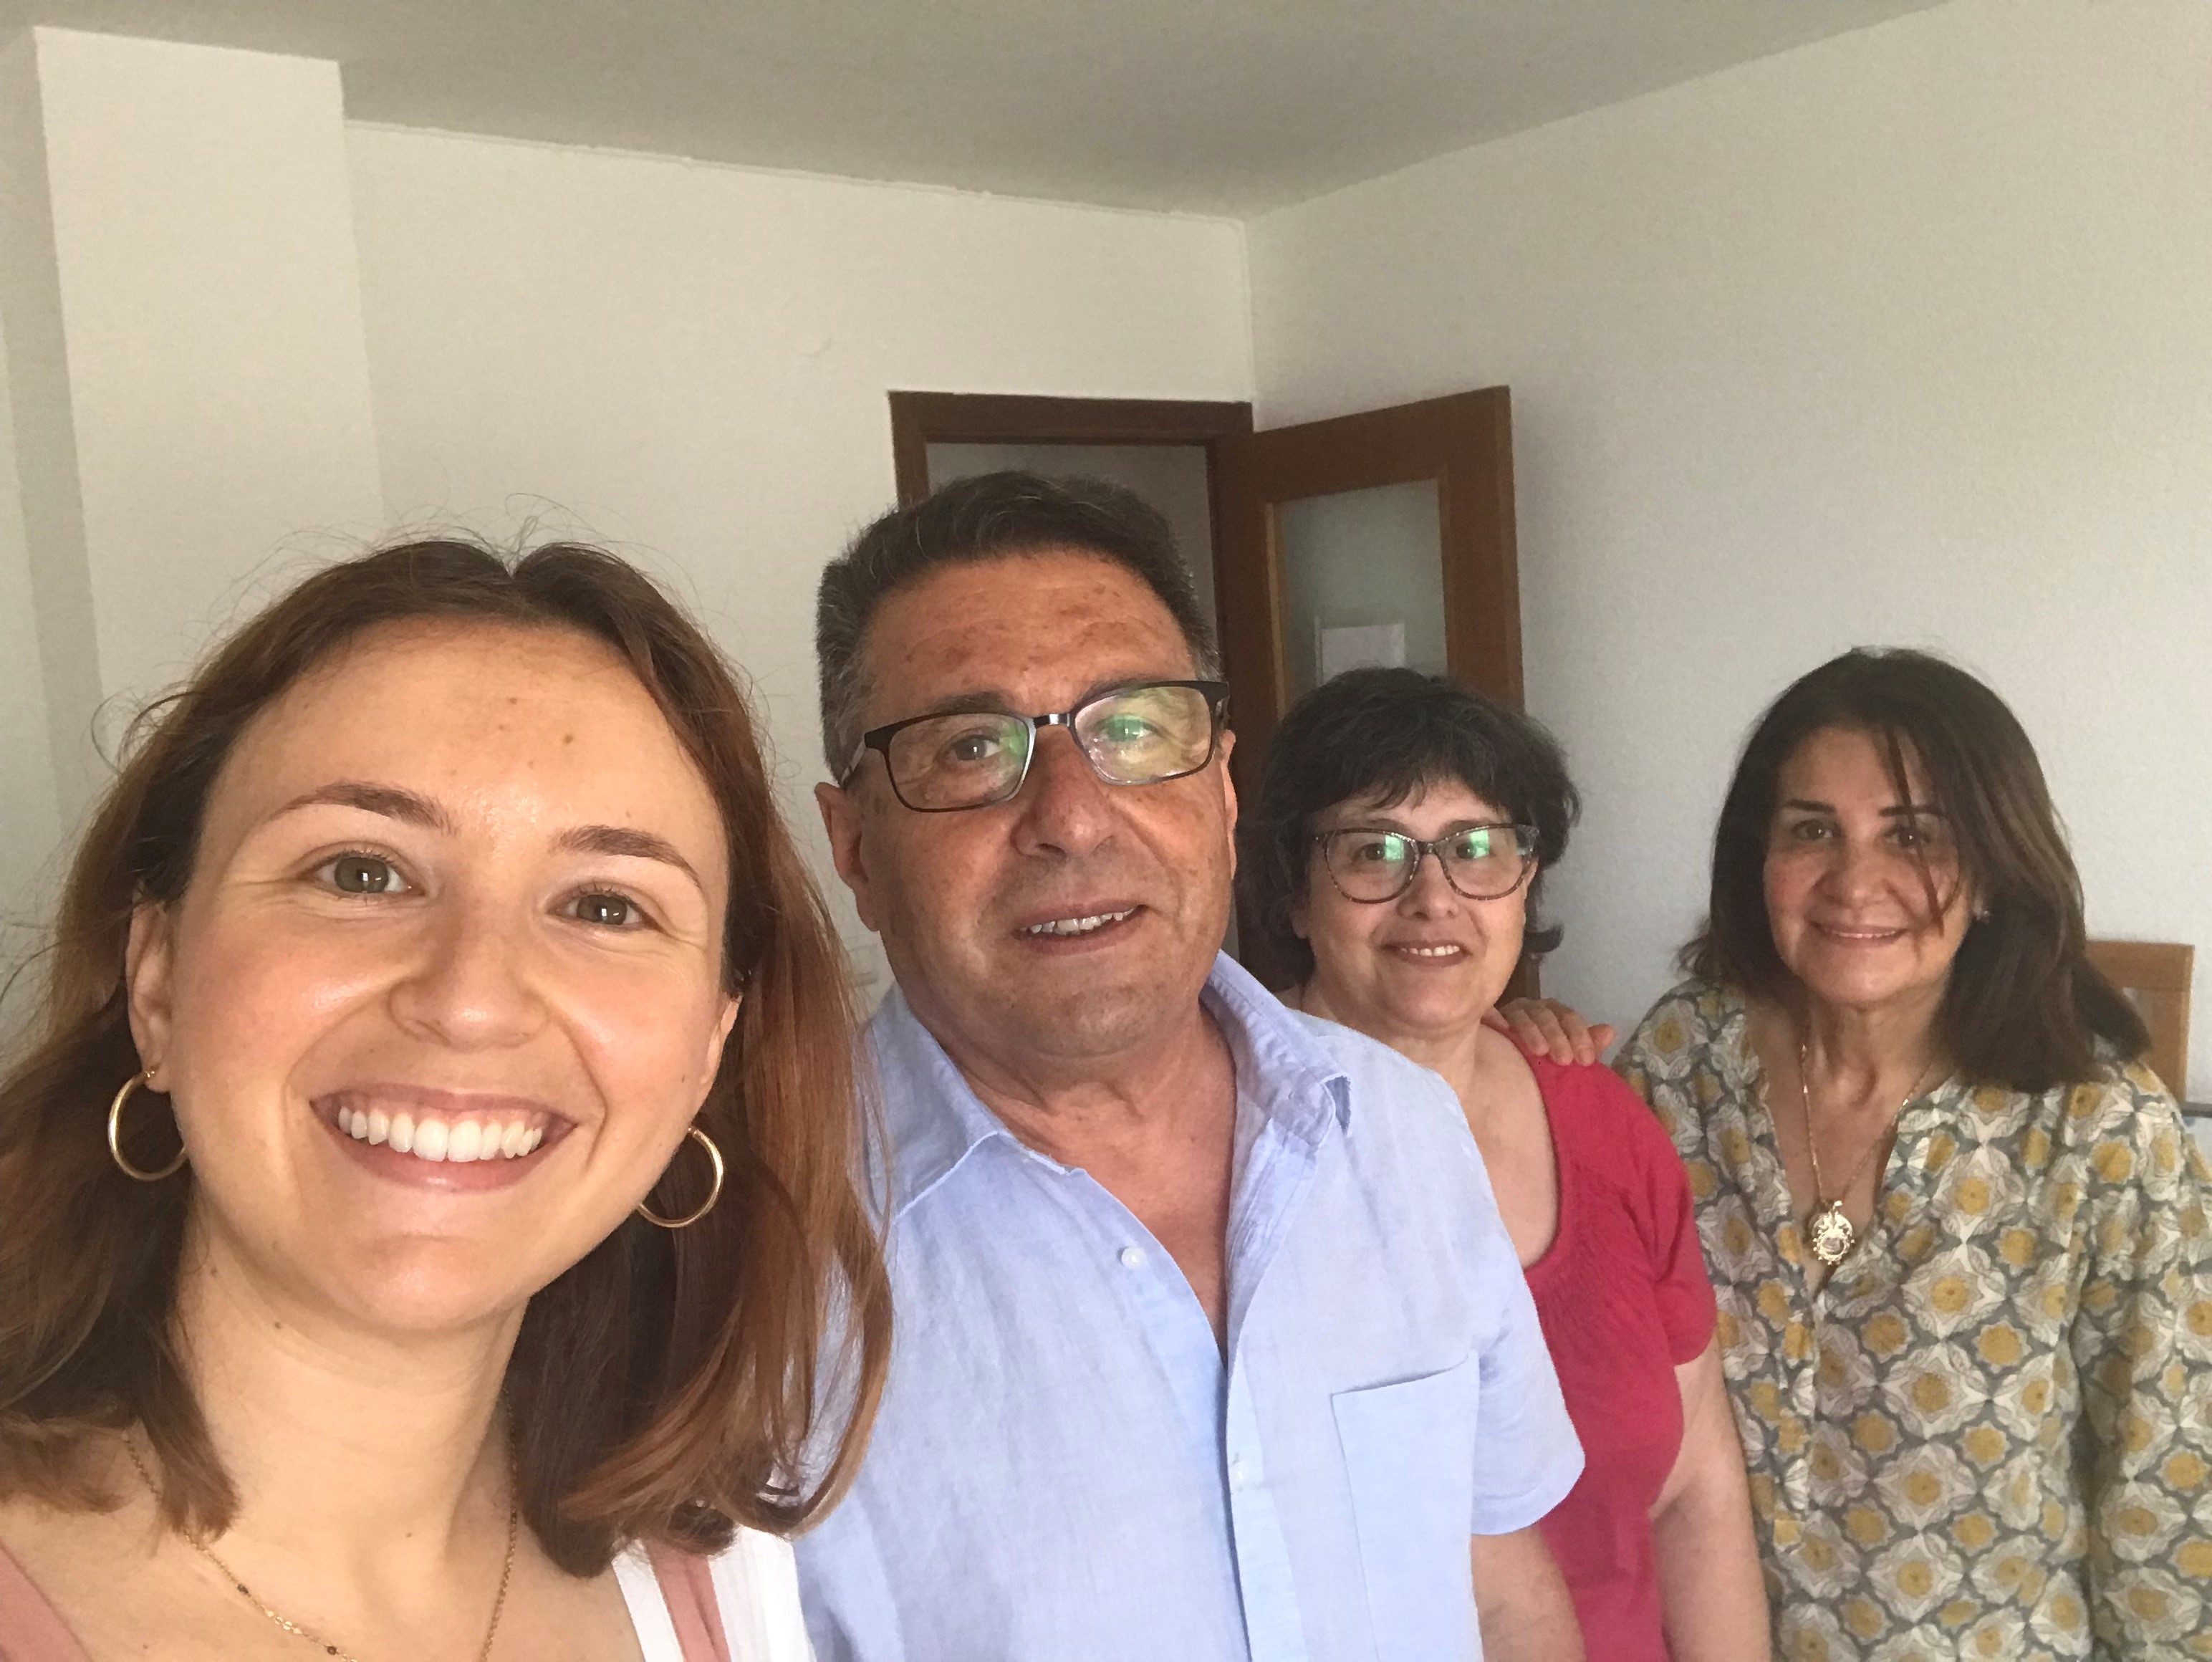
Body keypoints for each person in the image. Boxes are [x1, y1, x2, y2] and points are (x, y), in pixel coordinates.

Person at [0, 539, 890, 1660]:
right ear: (160, 980)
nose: (471, 1000)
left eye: (608, 906)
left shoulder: (716, 1583)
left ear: (708, 1049)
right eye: (361, 872)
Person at [798, 471, 1585, 1662]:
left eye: (1131, 730)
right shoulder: (757, 1263)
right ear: (854, 845)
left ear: (1219, 787)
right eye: (971, 747)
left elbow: (1502, 1591)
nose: (1072, 816)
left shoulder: (1399, 1130)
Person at [1612, 648, 2212, 1661]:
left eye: (1914, 836)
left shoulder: (2101, 1131)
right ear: (1759, 858)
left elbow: (2171, 1497)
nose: (1856, 882)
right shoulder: (1677, 1066)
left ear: (1989, 872)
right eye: (1812, 830)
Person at [1237, 666, 1771, 1662]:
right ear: (1294, 895)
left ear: (1527, 884)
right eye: (1372, 852)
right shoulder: (1219, 1149)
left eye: (1478, 849)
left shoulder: (1604, 1123)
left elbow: (1696, 1489)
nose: (1432, 897)